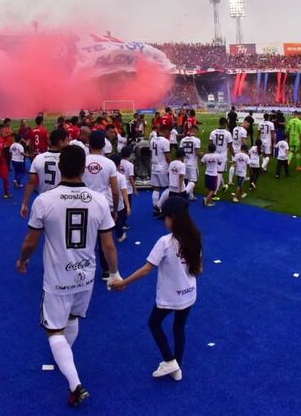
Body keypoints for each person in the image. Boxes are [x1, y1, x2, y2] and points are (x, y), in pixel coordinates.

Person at [16, 145, 121, 407]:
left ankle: (75, 384)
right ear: (84, 168)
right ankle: (65, 355)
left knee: (53, 329)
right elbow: (108, 245)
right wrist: (115, 273)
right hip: (86, 274)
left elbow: (30, 242)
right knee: (73, 317)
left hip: (58, 276)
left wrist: (22, 260)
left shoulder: (45, 200)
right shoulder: (98, 201)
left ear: (61, 167)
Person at [112, 196, 202, 382]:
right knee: (179, 327)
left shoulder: (165, 242)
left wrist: (123, 282)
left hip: (170, 296)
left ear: (173, 218)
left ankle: (170, 361)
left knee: (154, 323)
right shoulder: (195, 236)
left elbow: (146, 270)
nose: (164, 222)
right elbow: (198, 267)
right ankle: (178, 366)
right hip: (189, 293)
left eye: (165, 218)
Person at [83, 131, 119, 280]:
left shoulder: (83, 161)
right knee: (105, 239)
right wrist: (115, 209)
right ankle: (107, 271)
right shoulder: (109, 163)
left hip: (84, 202)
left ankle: (83, 267)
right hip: (103, 204)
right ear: (104, 145)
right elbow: (115, 191)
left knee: (86, 238)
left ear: (89, 144)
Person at [20, 129, 69, 218]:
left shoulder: (38, 158)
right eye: (67, 140)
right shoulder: (67, 158)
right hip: (62, 201)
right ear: (61, 142)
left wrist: (24, 203)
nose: (68, 143)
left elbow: (31, 182)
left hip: (44, 200)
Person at [109, 154, 131, 243]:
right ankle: (120, 236)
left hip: (106, 203)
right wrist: (128, 206)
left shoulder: (105, 174)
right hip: (118, 204)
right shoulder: (120, 177)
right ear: (119, 164)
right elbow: (124, 191)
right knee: (119, 221)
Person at [150, 125, 172, 214]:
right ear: (165, 130)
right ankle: (158, 205)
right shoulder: (165, 141)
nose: (169, 133)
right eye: (168, 131)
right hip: (162, 167)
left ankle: (156, 208)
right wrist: (173, 164)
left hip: (154, 166)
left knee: (156, 189)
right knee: (170, 187)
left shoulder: (152, 140)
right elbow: (167, 156)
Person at [209, 117, 233, 194]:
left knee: (216, 171)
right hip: (222, 155)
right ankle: (214, 192)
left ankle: (222, 185)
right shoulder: (228, 133)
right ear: (225, 123)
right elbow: (230, 146)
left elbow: (210, 144)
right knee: (219, 172)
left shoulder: (213, 132)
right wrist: (234, 155)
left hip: (214, 153)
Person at [179, 125, 201, 201]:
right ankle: (185, 194)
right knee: (193, 181)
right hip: (192, 163)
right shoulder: (197, 140)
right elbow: (197, 152)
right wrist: (203, 156)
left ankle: (190, 195)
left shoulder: (183, 140)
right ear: (195, 130)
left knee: (185, 179)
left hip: (184, 162)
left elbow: (180, 152)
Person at [118, 146, 137, 229]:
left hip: (118, 186)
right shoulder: (130, 165)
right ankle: (123, 223)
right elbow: (131, 177)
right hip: (127, 188)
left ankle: (118, 221)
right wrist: (134, 188)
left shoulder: (118, 162)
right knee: (126, 205)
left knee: (120, 204)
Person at [201, 143, 221, 207]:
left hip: (207, 173)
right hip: (214, 174)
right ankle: (206, 199)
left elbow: (202, 164)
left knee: (209, 188)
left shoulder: (205, 156)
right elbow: (220, 163)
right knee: (213, 189)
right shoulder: (217, 156)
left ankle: (209, 201)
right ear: (214, 149)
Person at [230, 120, 248, 186]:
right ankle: (243, 177)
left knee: (233, 163)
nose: (248, 127)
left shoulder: (235, 128)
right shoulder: (244, 131)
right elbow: (243, 140)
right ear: (245, 123)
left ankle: (230, 180)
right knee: (243, 163)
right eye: (247, 125)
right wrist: (246, 149)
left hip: (233, 148)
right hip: (240, 149)